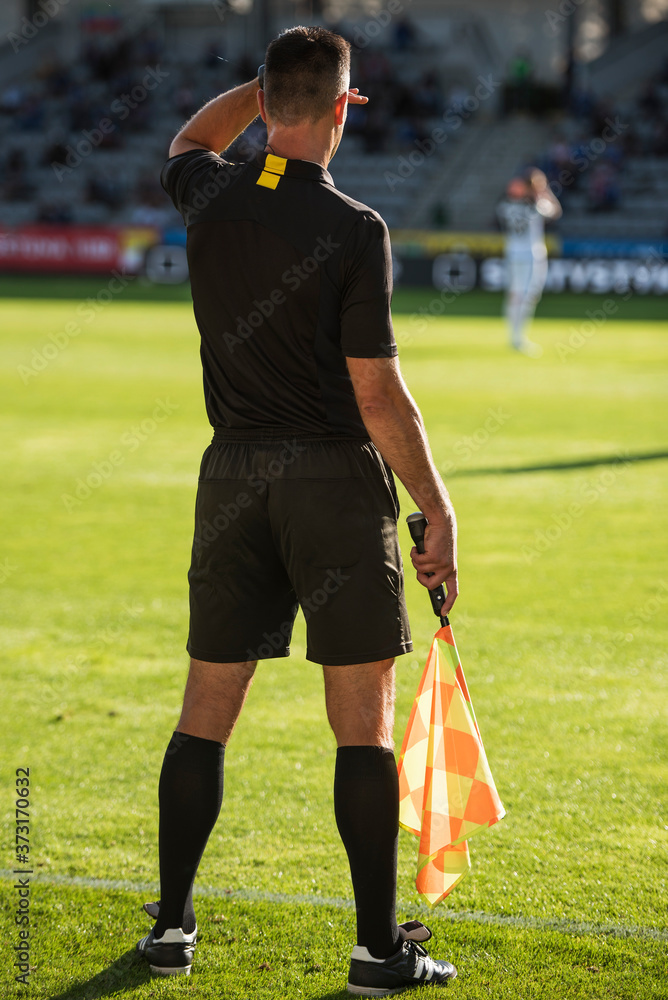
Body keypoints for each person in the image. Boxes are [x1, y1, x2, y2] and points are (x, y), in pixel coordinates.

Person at [136, 26, 458, 996]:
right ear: (341, 111)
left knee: (204, 714)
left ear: (273, 102)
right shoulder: (356, 229)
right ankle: (374, 953)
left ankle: (169, 928)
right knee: (359, 728)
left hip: (230, 477)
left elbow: (186, 146)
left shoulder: (212, 194)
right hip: (329, 480)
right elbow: (377, 397)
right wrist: (436, 505)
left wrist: (267, 93)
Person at [497, 169, 562, 357]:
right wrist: (545, 191)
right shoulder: (536, 206)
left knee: (515, 295)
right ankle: (518, 338)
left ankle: (514, 336)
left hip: (512, 253)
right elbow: (556, 211)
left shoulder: (506, 206)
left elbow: (504, 204)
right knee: (529, 295)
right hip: (532, 254)